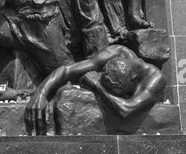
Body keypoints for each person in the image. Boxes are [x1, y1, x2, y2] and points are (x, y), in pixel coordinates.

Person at [24, 44, 166, 135]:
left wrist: (97, 86)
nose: (113, 93)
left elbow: (126, 109)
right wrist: (41, 93)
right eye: (107, 85)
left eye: (117, 89)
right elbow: (67, 70)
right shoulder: (115, 52)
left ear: (135, 79)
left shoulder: (155, 79)